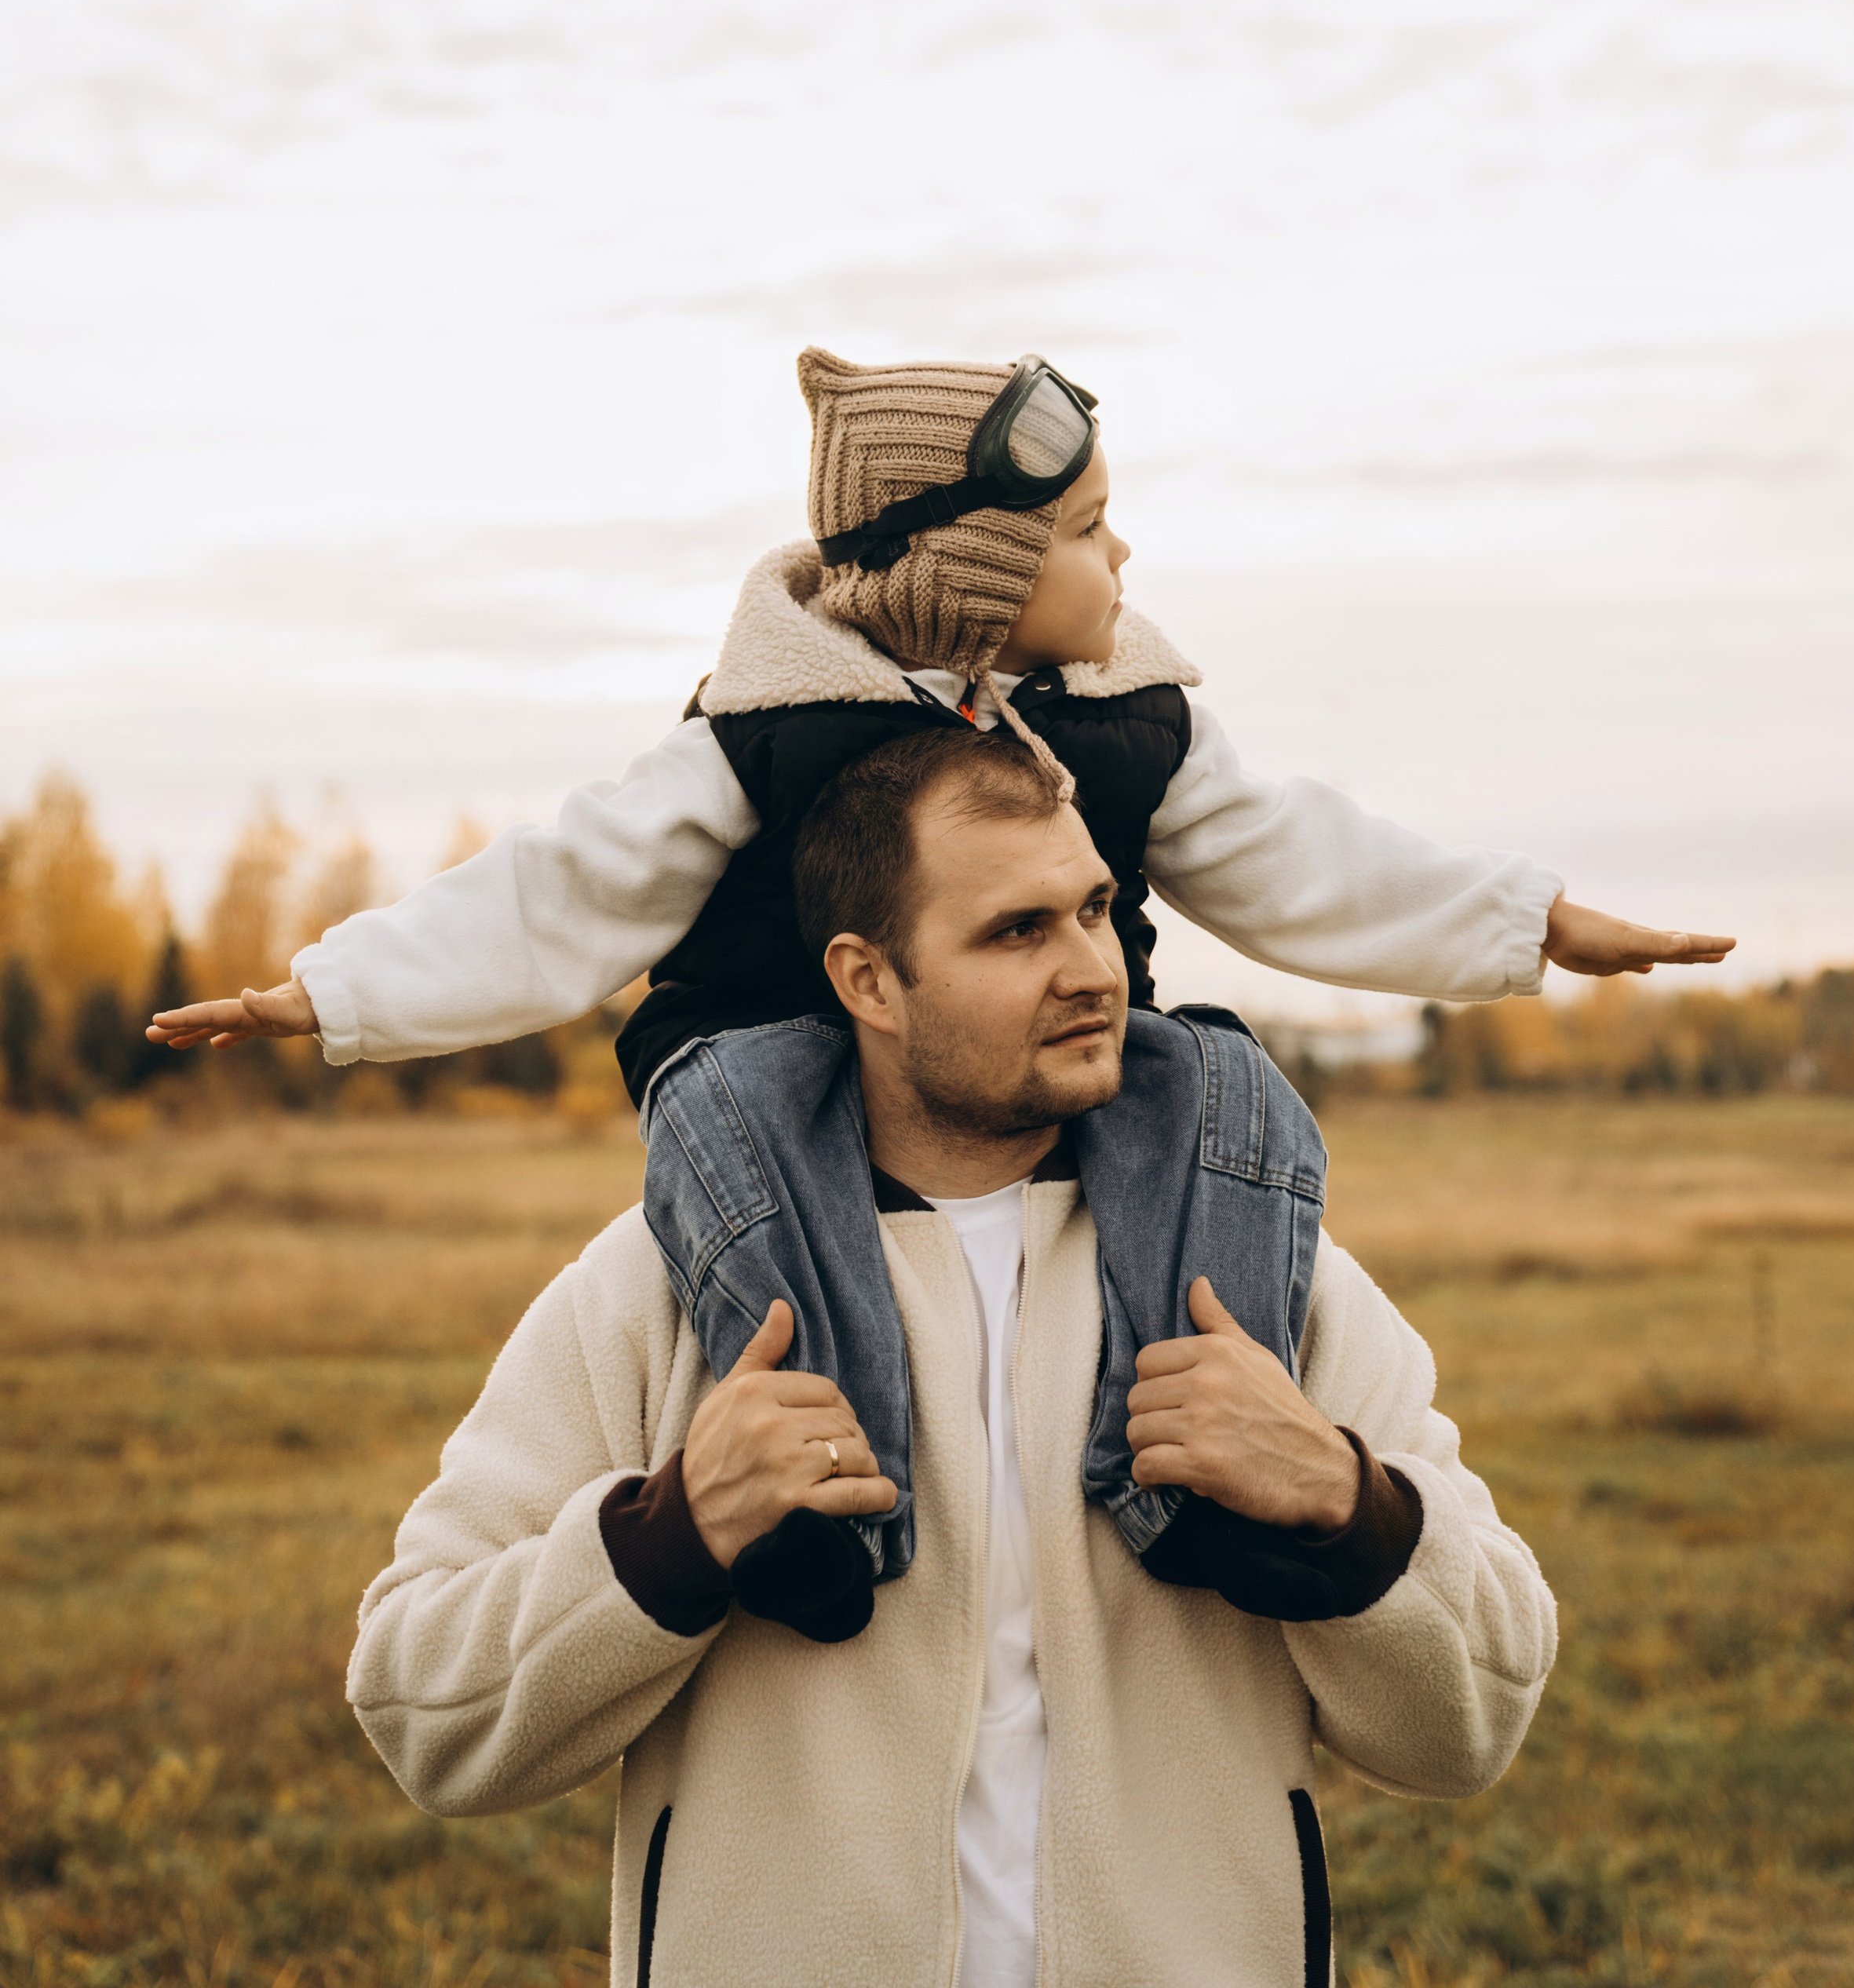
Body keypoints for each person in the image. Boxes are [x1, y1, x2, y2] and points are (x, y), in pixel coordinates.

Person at [153, 348, 1731, 1627]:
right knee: (755, 1147)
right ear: (977, 575)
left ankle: (1197, 1460)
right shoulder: (766, 733)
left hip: (1025, 1088)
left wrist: (1526, 922)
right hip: (766, 1063)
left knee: (1223, 1085)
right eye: (1087, 531)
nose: (1122, 558)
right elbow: (567, 888)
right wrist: (331, 991)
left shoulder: (1130, 725)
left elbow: (1302, 861)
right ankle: (826, 1511)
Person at [349, 728, 1558, 1988]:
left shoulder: (1264, 1274)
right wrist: (672, 1533)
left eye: (1095, 910)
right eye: (1017, 931)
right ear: (869, 981)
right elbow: (418, 1711)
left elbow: (1478, 1717)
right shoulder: (671, 1282)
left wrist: (1346, 1503)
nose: (1093, 969)